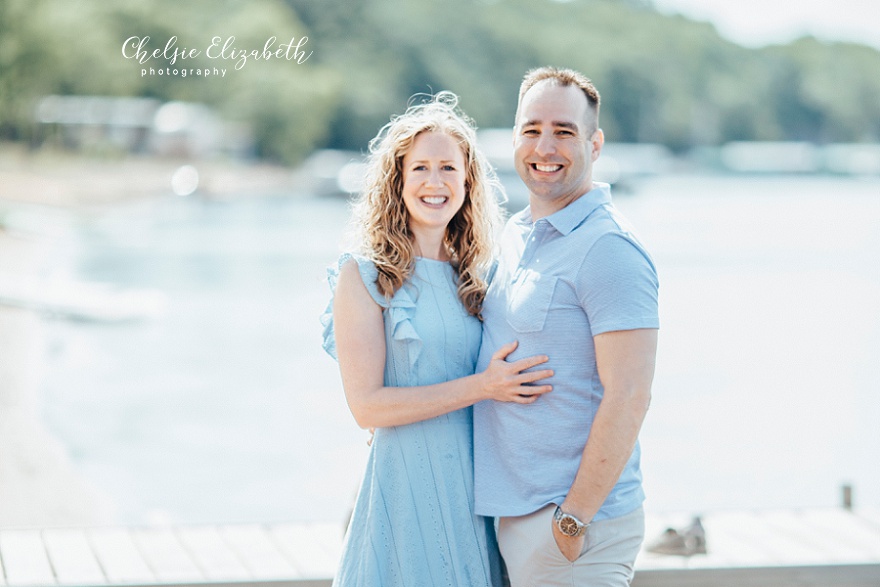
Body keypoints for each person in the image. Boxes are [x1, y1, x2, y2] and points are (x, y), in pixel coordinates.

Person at [321, 91, 554, 587]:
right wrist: (483, 387)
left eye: (448, 168)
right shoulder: (362, 277)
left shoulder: (479, 278)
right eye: (420, 168)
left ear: (468, 181)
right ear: (397, 181)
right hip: (404, 490)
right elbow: (368, 409)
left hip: (478, 491)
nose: (435, 181)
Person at [473, 67, 660, 586]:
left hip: (575, 527)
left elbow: (630, 395)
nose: (545, 145)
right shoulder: (513, 235)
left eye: (564, 131)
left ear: (594, 144)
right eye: (531, 130)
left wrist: (572, 521)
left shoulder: (609, 250)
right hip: (509, 519)